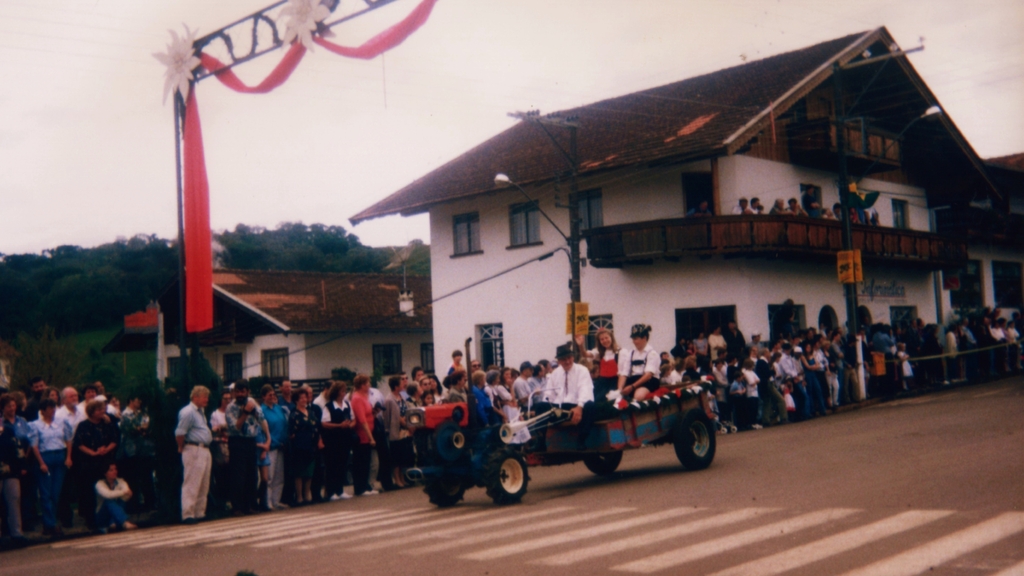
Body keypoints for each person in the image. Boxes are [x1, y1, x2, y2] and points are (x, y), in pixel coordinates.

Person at [535, 343, 596, 450]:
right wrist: (548, 405)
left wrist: (579, 406)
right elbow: (549, 394)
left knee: (590, 405)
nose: (567, 361)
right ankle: (541, 443)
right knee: (540, 406)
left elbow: (585, 390)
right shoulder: (555, 373)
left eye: (569, 358)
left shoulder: (582, 370)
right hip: (560, 409)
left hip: (577, 406)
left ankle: (581, 441)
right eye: (563, 359)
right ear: (558, 361)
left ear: (573, 357)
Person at [72, 400, 119, 531]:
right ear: (92, 412)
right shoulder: (83, 426)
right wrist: (92, 453)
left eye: (103, 409)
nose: (102, 412)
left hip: (106, 461)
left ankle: (109, 519)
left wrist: (106, 450)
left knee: (107, 490)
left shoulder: (107, 425)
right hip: (89, 462)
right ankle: (91, 521)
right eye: (99, 410)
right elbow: (79, 443)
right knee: (89, 492)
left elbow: (115, 440)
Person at [28, 398, 72, 538]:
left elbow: (68, 439)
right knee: (46, 493)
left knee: (55, 493)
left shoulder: (62, 423)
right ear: (43, 411)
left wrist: (68, 456)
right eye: (50, 408)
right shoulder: (35, 425)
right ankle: (50, 524)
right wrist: (41, 462)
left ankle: (50, 523)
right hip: (45, 457)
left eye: (54, 408)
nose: (53, 410)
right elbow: (34, 445)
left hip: (59, 456)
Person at [225, 380, 264, 515]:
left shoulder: (252, 402)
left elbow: (261, 418)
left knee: (251, 474)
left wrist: (253, 410)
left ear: (248, 391)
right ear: (234, 392)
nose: (240, 394)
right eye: (238, 391)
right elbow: (235, 427)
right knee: (238, 475)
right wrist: (245, 412)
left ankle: (251, 505)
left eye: (243, 391)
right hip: (237, 442)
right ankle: (237, 507)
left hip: (251, 441)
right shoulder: (231, 407)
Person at [175, 385, 212, 524]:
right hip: (193, 448)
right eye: (204, 396)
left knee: (203, 482)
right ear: (195, 397)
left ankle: (199, 512)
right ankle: (188, 513)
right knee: (192, 482)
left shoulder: (200, 412)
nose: (206, 399)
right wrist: (181, 447)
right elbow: (180, 433)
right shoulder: (188, 412)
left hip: (205, 449)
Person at [0, 394, 30, 546]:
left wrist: (21, 465)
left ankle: (16, 533)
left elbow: (17, 448)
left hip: (11, 469)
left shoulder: (9, 430)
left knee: (14, 499)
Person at [119, 394, 156, 513]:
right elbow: (130, 429)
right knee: (133, 478)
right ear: (130, 400)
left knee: (147, 477)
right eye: (137, 399)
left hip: (145, 449)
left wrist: (144, 430)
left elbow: (147, 426)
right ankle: (134, 505)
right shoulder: (125, 415)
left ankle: (150, 503)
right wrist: (139, 429)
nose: (139, 401)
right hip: (131, 450)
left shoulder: (143, 414)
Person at [321, 381, 354, 501]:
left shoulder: (346, 405)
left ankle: (340, 490)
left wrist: (349, 424)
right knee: (332, 466)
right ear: (336, 393)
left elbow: (352, 418)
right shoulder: (329, 406)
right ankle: (331, 492)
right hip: (332, 440)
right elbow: (324, 424)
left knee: (342, 464)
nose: (344, 393)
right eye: (342, 391)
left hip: (345, 439)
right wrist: (339, 425)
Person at [258, 384, 289, 511]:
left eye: (273, 394)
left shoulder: (278, 408)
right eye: (269, 395)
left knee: (279, 476)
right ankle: (267, 502)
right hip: (270, 446)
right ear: (263, 397)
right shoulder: (261, 410)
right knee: (269, 477)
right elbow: (263, 430)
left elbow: (284, 425)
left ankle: (276, 501)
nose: (272, 397)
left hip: (281, 445)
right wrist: (272, 441)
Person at [288, 388, 321, 504]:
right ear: (296, 400)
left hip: (311, 445)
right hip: (299, 446)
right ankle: (299, 496)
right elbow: (291, 432)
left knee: (309, 471)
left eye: (305, 397)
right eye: (301, 398)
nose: (304, 400)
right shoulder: (294, 414)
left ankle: (307, 493)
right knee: (299, 472)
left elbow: (316, 427)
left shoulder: (311, 413)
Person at [350, 375, 378, 497]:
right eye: (367, 383)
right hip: (362, 435)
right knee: (361, 462)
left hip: (368, 433)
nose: (369, 385)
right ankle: (359, 488)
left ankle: (365, 485)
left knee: (367, 461)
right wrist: (370, 437)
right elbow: (362, 420)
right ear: (362, 385)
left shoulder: (364, 397)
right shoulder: (357, 398)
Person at [618, 324, 660, 401]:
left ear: (644, 338)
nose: (633, 342)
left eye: (635, 339)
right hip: (633, 381)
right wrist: (619, 390)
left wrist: (632, 387)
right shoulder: (630, 353)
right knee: (617, 397)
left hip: (648, 382)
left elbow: (648, 375)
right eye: (633, 339)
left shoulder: (652, 353)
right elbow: (624, 373)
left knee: (638, 396)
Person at [383, 376, 412, 489]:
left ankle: (402, 478)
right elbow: (387, 417)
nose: (404, 384)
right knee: (396, 457)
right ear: (396, 386)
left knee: (403, 456)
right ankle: (397, 479)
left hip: (404, 431)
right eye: (401, 383)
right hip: (395, 432)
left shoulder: (402, 397)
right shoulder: (389, 400)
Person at [93, 463, 136, 533]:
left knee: (122, 500)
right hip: (103, 516)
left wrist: (126, 493)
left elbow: (127, 495)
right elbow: (108, 495)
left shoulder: (121, 481)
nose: (115, 471)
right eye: (111, 470)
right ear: (105, 473)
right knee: (108, 501)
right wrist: (124, 492)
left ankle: (113, 523)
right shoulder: (99, 484)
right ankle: (124, 522)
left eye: (115, 469)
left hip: (116, 514)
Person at [208, 391, 231, 509]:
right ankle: (221, 501)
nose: (227, 401)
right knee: (221, 473)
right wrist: (220, 429)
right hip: (220, 446)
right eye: (225, 399)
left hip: (232, 445)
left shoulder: (232, 413)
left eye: (229, 399)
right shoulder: (215, 414)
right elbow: (213, 429)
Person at [586, 329, 621, 401]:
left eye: (606, 338)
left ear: (611, 337)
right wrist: (580, 346)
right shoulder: (600, 352)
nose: (604, 340)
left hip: (614, 382)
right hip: (602, 382)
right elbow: (587, 355)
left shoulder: (619, 352)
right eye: (602, 339)